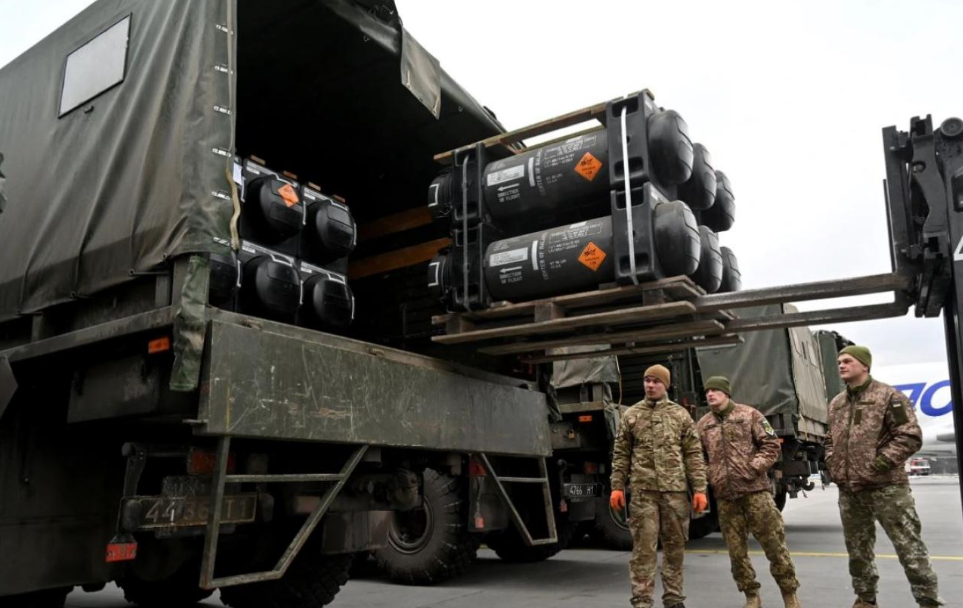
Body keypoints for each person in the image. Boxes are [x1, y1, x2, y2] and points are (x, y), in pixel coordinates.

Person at [826, 345, 944, 608]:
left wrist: (877, 465)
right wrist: (833, 462)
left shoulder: (889, 396)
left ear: (864, 365)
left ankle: (928, 602)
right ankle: (866, 599)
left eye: (848, 361)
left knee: (909, 548)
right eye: (839, 361)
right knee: (858, 551)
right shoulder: (836, 403)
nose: (841, 365)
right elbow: (829, 439)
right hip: (851, 490)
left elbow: (909, 436)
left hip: (887, 488)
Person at [695, 376, 801, 608]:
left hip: (756, 493)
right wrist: (710, 474)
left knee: (774, 545)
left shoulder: (749, 415)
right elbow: (697, 456)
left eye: (715, 390)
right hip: (726, 498)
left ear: (726, 393)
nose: (710, 394)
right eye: (707, 391)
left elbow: (771, 444)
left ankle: (790, 595)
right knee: (736, 553)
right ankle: (751, 596)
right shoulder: (703, 424)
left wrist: (753, 467)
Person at [610, 364, 707, 608]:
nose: (650, 385)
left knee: (675, 548)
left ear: (666, 385)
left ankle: (673, 598)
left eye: (656, 381)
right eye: (647, 380)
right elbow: (621, 454)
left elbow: (693, 454)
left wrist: (699, 489)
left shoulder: (680, 415)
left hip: (675, 493)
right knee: (643, 550)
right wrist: (617, 486)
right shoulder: (631, 415)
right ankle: (642, 600)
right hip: (643, 493)